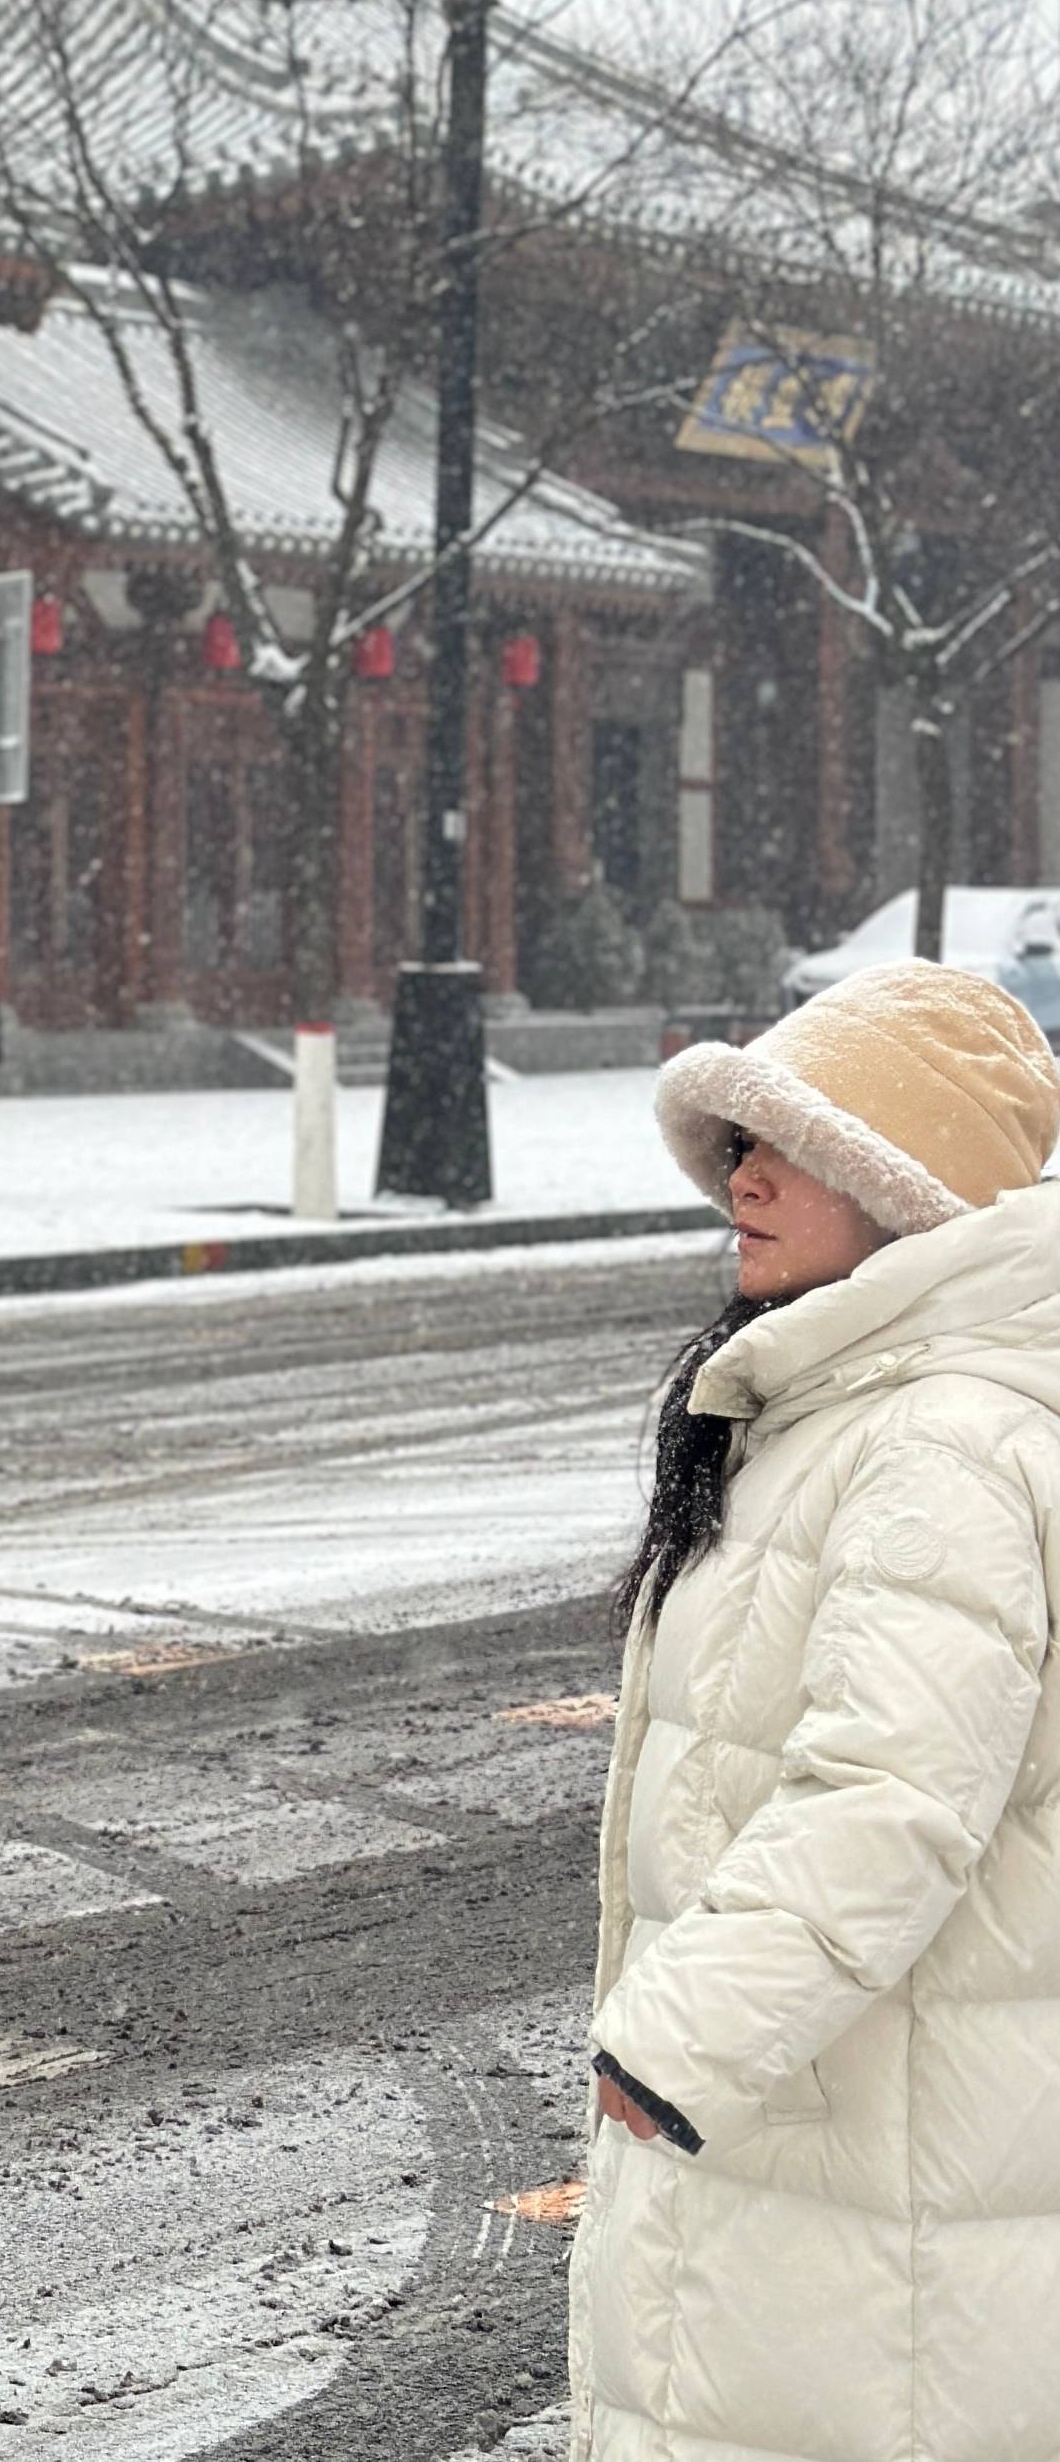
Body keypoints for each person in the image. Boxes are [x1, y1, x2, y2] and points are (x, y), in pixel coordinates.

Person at [571, 958, 1060, 2462]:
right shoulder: (849, 1405)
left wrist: (681, 2035)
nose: (744, 1177)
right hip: (835, 2123)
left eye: (793, 1143)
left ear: (906, 1184)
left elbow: (889, 1792)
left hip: (864, 2144)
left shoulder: (934, 1441)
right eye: (739, 1142)